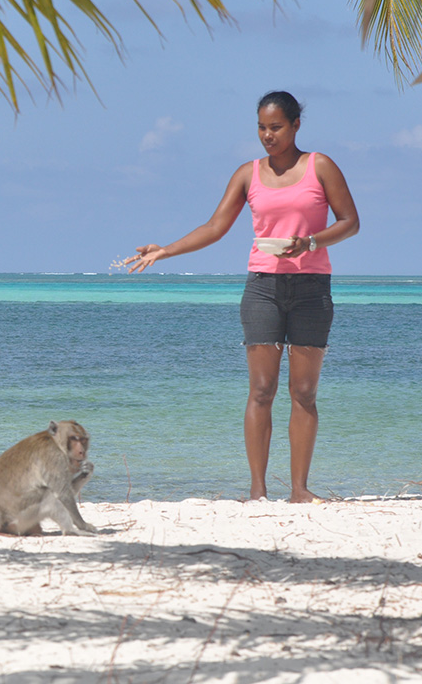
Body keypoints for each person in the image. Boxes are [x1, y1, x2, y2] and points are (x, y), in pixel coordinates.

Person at [124, 91, 359, 503]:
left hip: (311, 289)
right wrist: (165, 250)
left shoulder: (319, 166)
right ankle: (257, 491)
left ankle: (300, 490)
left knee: (303, 392)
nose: (268, 136)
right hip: (262, 289)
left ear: (296, 126)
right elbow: (215, 226)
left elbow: (350, 223)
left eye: (276, 127)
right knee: (262, 390)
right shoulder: (247, 174)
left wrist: (310, 242)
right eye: (262, 128)